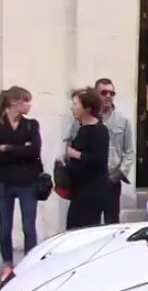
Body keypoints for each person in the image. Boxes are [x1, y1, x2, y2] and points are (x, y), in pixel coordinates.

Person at [65, 78, 134, 224]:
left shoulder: (122, 121)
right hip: (86, 181)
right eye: (104, 93)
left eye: (112, 93)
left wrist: (118, 174)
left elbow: (129, 152)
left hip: (112, 178)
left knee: (111, 221)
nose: (108, 96)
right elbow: (71, 144)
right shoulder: (81, 122)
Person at [0, 86, 41, 281]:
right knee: (5, 226)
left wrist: (8, 149)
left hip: (27, 182)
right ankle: (8, 264)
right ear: (14, 102)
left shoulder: (31, 125)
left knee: (29, 226)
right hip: (3, 182)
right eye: (26, 101)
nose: (29, 105)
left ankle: (30, 263)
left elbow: (35, 150)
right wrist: (22, 149)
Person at [65, 88, 110, 230]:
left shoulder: (99, 130)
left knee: (85, 229)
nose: (73, 108)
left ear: (87, 108)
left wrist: (75, 154)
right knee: (72, 228)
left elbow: (99, 159)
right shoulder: (81, 129)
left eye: (76, 104)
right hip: (78, 189)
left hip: (92, 191)